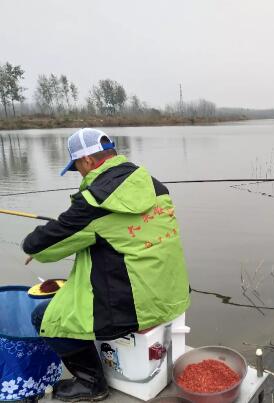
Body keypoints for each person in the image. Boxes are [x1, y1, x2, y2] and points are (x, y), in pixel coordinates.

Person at [22, 128, 191, 401]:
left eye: (77, 167)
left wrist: (38, 240)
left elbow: (39, 247)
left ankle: (91, 383)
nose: (79, 174)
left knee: (44, 316)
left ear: (87, 161)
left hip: (137, 309)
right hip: (173, 295)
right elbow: (114, 229)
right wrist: (72, 225)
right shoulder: (154, 185)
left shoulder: (93, 201)